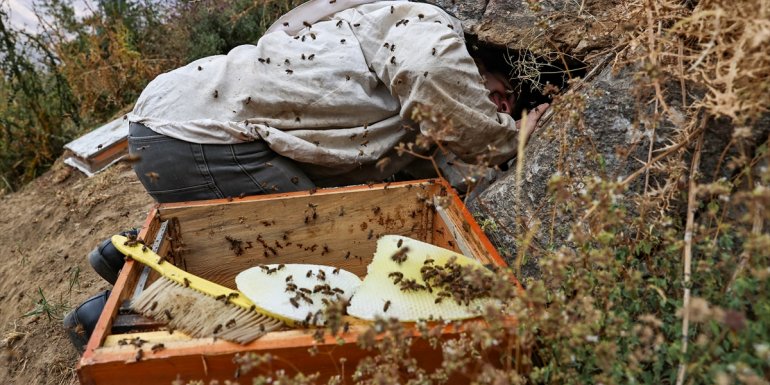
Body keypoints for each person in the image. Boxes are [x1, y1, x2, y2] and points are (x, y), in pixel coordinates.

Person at [64, 0, 549, 351]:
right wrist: (510, 139)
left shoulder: (384, 89)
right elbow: (430, 70)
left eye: (510, 108)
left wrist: (493, 157)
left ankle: (129, 255)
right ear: (480, 59)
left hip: (180, 122)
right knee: (315, 276)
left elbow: (426, 183)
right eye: (502, 94)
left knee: (340, 223)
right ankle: (121, 310)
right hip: (205, 135)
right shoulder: (423, 21)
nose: (502, 108)